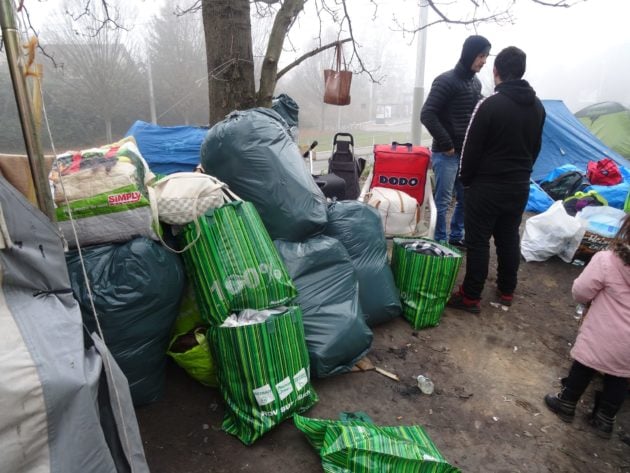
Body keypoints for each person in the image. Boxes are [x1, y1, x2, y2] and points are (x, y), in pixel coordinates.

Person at [447, 46, 546, 313]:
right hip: (518, 185)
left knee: (478, 241)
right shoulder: (537, 107)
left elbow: (470, 148)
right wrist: (522, 173)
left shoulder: (490, 104)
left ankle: (470, 296)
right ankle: (506, 289)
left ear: (496, 71)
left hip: (486, 187)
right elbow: (535, 148)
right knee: (508, 237)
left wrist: (466, 181)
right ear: (522, 71)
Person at [543, 213, 630, 439]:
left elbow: (581, 291)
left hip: (602, 334)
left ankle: (567, 403)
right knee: (620, 376)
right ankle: (605, 419)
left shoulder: (607, 260)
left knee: (584, 365)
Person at [421, 35, 491, 247]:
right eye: (481, 55)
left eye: (486, 56)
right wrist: (447, 143)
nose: (484, 61)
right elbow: (427, 114)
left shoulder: (475, 83)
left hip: (466, 155)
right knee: (443, 200)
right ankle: (440, 239)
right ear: (470, 54)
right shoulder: (445, 81)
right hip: (446, 154)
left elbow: (476, 115)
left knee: (466, 198)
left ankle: (456, 236)